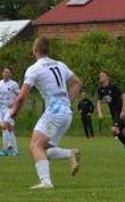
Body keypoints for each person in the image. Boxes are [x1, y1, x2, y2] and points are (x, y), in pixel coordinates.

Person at [8, 36, 82, 190]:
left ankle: (46, 182)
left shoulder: (34, 69)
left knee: (35, 146)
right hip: (66, 113)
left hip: (54, 112)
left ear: (34, 50)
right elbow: (77, 83)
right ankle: (71, 153)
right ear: (48, 50)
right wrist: (67, 102)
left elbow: (22, 97)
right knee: (43, 149)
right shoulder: (60, 65)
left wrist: (14, 113)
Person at [96, 70, 125, 157]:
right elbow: (99, 101)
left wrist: (123, 111)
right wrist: (100, 112)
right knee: (124, 132)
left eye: (103, 75)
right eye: (100, 76)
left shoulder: (113, 87)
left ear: (107, 77)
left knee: (114, 130)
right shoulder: (100, 89)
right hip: (113, 113)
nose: (101, 77)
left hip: (120, 111)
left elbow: (124, 97)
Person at [0, 67, 21, 157]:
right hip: (1, 109)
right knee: (9, 129)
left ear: (11, 74)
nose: (5, 73)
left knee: (4, 126)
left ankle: (5, 149)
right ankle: (15, 150)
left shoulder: (14, 84)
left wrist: (14, 103)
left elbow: (20, 97)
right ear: (2, 73)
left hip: (10, 110)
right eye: (4, 72)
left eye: (8, 72)